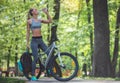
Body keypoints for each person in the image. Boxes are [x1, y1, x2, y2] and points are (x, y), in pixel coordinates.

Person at [26, 8, 52, 81]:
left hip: (41, 40)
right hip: (34, 41)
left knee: (49, 53)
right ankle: (33, 75)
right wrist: (27, 43)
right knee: (35, 57)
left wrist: (46, 13)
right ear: (32, 12)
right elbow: (28, 33)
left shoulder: (40, 20)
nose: (36, 10)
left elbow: (50, 21)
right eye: (34, 9)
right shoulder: (29, 21)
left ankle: (49, 68)